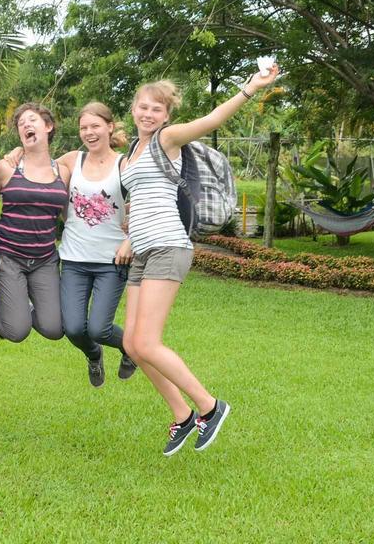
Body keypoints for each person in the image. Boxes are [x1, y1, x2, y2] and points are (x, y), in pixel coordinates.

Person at [121, 67, 278, 456]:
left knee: (147, 341)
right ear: (133, 109)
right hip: (141, 250)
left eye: (156, 109)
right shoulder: (130, 151)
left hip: (168, 246)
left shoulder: (167, 140)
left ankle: (210, 406)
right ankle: (183, 414)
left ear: (166, 115)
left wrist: (249, 88)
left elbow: (211, 120)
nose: (148, 114)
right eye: (143, 107)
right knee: (131, 344)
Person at [56, 102, 136, 388]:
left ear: (110, 127)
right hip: (74, 260)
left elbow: (145, 204)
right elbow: (36, 165)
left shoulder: (124, 164)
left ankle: (131, 349)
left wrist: (131, 239)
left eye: (95, 126)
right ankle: (94, 355)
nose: (89, 133)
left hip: (111, 261)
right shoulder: (71, 160)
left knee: (100, 328)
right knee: (75, 328)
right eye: (83, 128)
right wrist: (15, 152)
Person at [0, 103, 70, 344]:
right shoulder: (6, 168)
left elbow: (71, 217)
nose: (26, 125)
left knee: (55, 329)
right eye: (21, 123)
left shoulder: (63, 171)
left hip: (44, 260)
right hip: (8, 258)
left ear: (48, 126)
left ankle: (21, 308)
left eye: (32, 119)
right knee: (17, 331)